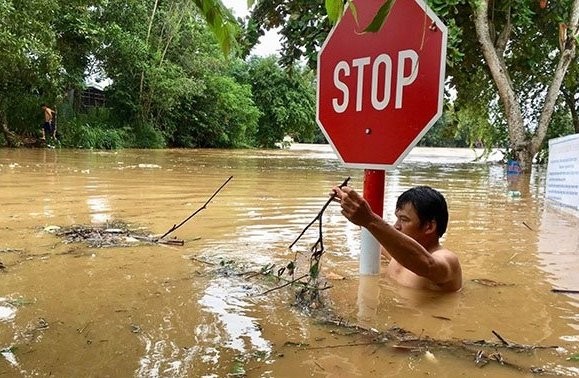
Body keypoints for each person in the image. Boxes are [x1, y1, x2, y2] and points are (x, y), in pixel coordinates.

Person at [332, 185, 462, 292]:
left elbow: (427, 265)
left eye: (404, 220)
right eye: (397, 218)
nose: (396, 226)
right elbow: (382, 237)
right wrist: (352, 207)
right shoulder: (398, 253)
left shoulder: (448, 260)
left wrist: (369, 220)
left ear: (429, 226)